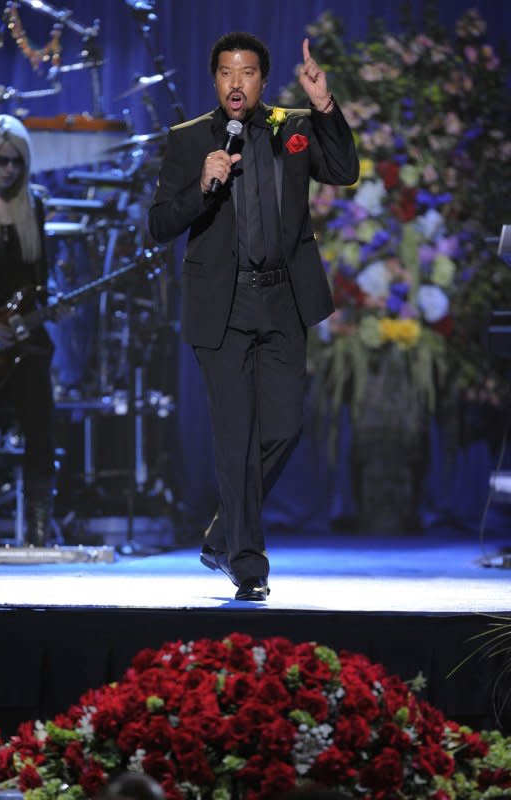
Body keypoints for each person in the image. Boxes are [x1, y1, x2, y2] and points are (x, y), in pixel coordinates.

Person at [149, 32, 359, 601]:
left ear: (262, 80)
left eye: (245, 73)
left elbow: (342, 169)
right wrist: (202, 185)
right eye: (224, 73)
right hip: (223, 306)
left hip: (284, 299)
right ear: (214, 80)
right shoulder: (190, 140)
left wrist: (323, 105)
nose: (234, 83)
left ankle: (224, 533)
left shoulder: (293, 127)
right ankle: (249, 564)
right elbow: (159, 223)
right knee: (235, 439)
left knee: (285, 428)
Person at [0, 114, 56, 547]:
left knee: (42, 425)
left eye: (15, 161)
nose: (8, 169)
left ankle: (37, 528)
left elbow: (39, 282)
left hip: (24, 337)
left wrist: (51, 309)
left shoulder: (36, 205)